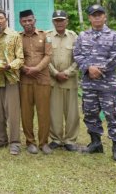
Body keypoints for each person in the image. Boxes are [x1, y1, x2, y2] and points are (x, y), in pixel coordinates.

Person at [73, 4, 116, 162]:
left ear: (105, 17)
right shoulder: (82, 36)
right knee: (90, 113)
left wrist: (99, 70)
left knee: (112, 114)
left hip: (107, 84)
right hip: (89, 84)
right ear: (89, 18)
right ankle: (96, 143)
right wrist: (89, 68)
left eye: (99, 14)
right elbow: (77, 54)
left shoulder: (114, 35)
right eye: (94, 15)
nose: (97, 17)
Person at [0, 7, 24, 155]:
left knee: (12, 112)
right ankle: (1, 140)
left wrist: (9, 66)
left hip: (11, 77)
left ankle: (15, 143)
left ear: (6, 19)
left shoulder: (15, 36)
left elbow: (20, 58)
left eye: (1, 18)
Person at [17, 9, 53, 155]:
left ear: (35, 20)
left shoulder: (45, 36)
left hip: (42, 79)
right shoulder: (17, 38)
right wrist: (25, 68)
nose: (27, 23)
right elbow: (15, 55)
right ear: (20, 22)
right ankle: (30, 142)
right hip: (25, 79)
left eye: (30, 20)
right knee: (26, 112)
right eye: (24, 21)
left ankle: (44, 143)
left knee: (43, 112)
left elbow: (48, 55)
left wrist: (36, 69)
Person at [47, 10, 80, 152]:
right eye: (56, 20)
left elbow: (79, 58)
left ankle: (70, 140)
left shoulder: (74, 37)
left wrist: (66, 72)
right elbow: (45, 58)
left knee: (72, 112)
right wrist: (55, 73)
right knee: (54, 111)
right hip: (53, 80)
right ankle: (55, 139)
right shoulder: (47, 37)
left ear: (67, 21)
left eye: (62, 20)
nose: (59, 23)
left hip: (69, 80)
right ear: (53, 22)